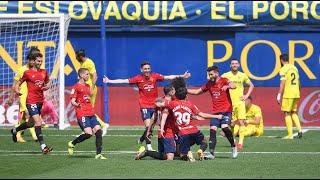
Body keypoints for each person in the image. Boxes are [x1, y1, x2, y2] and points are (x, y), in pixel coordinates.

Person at [103, 61, 191, 151]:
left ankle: (142, 138)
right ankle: (149, 147)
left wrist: (182, 76)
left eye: (148, 68)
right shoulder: (138, 78)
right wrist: (109, 81)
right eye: (145, 69)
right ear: (141, 70)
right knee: (148, 126)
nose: (147, 70)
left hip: (155, 105)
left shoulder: (155, 76)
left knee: (151, 127)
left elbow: (168, 77)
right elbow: (124, 81)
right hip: (144, 106)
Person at [155, 77, 227, 162]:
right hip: (194, 130)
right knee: (204, 141)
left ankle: (187, 154)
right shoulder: (190, 104)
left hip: (182, 133)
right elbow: (202, 114)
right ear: (186, 95)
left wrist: (163, 103)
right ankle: (200, 150)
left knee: (182, 154)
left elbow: (158, 104)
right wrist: (216, 116)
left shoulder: (172, 104)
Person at [187, 66, 237, 159]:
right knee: (213, 129)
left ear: (217, 73)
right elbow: (197, 91)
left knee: (225, 127)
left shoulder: (224, 80)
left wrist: (228, 86)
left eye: (211, 74)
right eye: (209, 74)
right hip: (215, 112)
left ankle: (233, 146)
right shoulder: (209, 84)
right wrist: (186, 90)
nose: (210, 76)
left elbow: (234, 85)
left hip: (226, 110)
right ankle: (211, 154)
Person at [10, 51, 53, 154]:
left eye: (41, 61)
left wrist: (47, 87)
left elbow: (47, 82)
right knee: (38, 122)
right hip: (31, 101)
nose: (40, 62)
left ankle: (15, 131)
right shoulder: (27, 73)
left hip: (40, 101)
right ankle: (44, 147)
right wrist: (16, 90)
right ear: (33, 61)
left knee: (30, 123)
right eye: (38, 61)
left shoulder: (44, 72)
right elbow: (18, 83)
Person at [67, 68, 106, 160]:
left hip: (91, 113)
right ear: (81, 75)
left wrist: (94, 82)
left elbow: (90, 94)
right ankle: (72, 143)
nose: (89, 76)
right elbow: (72, 101)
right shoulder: (76, 87)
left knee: (99, 131)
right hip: (82, 113)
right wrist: (77, 104)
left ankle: (98, 154)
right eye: (87, 74)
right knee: (88, 134)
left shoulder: (88, 86)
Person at [135, 85, 177, 160]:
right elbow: (157, 117)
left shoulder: (159, 101)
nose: (175, 92)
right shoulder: (170, 102)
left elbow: (153, 117)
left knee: (165, 155)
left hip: (161, 132)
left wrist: (148, 130)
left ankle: (148, 152)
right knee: (170, 157)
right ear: (171, 92)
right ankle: (147, 152)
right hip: (168, 132)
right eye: (174, 90)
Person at [7, 47, 40, 142]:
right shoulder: (22, 70)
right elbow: (15, 84)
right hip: (23, 97)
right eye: (33, 59)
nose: (35, 62)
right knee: (30, 116)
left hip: (33, 97)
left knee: (29, 119)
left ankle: (16, 132)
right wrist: (11, 97)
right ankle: (35, 137)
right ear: (30, 59)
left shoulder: (37, 70)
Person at [221, 58, 254, 150]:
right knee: (231, 124)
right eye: (233, 64)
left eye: (236, 63)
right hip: (229, 103)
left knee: (241, 122)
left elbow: (251, 85)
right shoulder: (225, 75)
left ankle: (240, 143)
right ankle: (234, 141)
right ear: (230, 65)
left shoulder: (242, 75)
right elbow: (219, 86)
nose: (234, 65)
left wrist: (246, 95)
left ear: (239, 65)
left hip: (240, 103)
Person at [76, 49, 108, 136]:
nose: (76, 58)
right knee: (87, 110)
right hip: (85, 89)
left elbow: (95, 76)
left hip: (89, 89)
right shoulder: (82, 63)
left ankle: (103, 125)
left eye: (77, 56)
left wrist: (92, 88)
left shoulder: (89, 62)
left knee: (88, 110)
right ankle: (88, 128)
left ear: (81, 56)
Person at [277, 53, 302, 139]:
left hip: (288, 93)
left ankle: (290, 134)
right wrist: (298, 91)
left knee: (287, 112)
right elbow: (298, 81)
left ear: (281, 60)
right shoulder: (294, 67)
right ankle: (299, 130)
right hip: (296, 93)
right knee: (293, 112)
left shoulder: (283, 69)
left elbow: (282, 82)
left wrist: (279, 94)